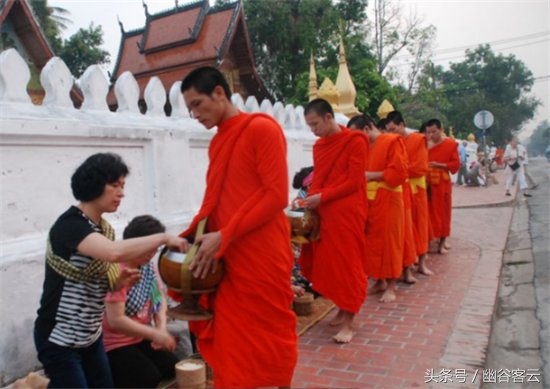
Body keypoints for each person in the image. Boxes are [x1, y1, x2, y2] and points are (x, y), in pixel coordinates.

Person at [179, 67, 297, 388]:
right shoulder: (218, 143)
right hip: (228, 256)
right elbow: (214, 201)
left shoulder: (261, 129)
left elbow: (275, 196)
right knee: (232, 345)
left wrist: (225, 234)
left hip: (261, 253)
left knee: (271, 333)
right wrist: (190, 235)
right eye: (190, 108)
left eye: (198, 104)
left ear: (220, 92)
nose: (194, 114)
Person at [33, 153, 188, 388]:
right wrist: (163, 237)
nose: (121, 192)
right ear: (94, 184)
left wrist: (118, 284)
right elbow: (113, 253)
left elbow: (97, 277)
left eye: (123, 186)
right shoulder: (70, 226)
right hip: (60, 338)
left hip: (90, 337)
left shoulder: (102, 229)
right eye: (114, 185)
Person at [299, 98, 368, 343]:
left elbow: (354, 182)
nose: (313, 130)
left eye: (315, 123)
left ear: (329, 117)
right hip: (325, 211)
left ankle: (350, 322)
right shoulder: (320, 146)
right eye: (309, 125)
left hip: (348, 211)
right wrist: (308, 202)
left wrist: (323, 196)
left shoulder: (355, 140)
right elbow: (318, 178)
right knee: (329, 265)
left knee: (348, 265)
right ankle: (342, 307)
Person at [103, 215, 179, 388]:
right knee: (146, 378)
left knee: (172, 368)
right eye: (148, 248)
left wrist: (160, 328)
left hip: (139, 337)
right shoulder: (118, 271)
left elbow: (159, 300)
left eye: (155, 249)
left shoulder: (147, 267)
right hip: (114, 343)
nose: (151, 253)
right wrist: (154, 334)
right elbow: (116, 321)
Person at [348, 114, 408, 303]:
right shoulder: (364, 147)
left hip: (389, 197)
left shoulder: (391, 141)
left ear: (367, 129)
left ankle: (391, 286)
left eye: (357, 135)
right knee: (372, 242)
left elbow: (398, 173)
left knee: (390, 242)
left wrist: (370, 176)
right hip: (369, 199)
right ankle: (380, 281)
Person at [386, 111, 433, 277]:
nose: (391, 133)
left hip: (417, 189)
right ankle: (405, 266)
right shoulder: (391, 142)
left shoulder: (418, 139)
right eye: (388, 130)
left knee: (420, 226)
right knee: (405, 230)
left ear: (402, 125)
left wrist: (399, 171)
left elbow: (420, 166)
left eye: (393, 129)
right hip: (401, 189)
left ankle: (421, 263)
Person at [425, 119, 460, 254]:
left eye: (434, 131)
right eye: (428, 132)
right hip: (427, 184)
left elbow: (455, 165)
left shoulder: (450, 145)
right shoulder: (424, 145)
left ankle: (442, 242)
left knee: (444, 213)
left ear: (440, 130)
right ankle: (427, 242)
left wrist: (440, 165)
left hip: (442, 184)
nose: (431, 135)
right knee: (428, 213)